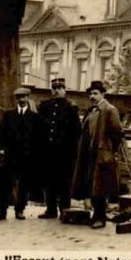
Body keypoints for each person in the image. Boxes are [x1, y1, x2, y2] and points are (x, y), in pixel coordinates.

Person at [71, 80, 123, 229]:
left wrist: (110, 150)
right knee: (91, 186)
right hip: (90, 154)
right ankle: (96, 215)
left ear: (103, 94)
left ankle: (100, 218)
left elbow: (117, 132)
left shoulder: (109, 110)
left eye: (95, 93)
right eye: (90, 94)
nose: (92, 96)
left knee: (100, 187)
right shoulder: (92, 111)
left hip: (102, 154)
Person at [0, 87, 41, 221]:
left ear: (28, 98)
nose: (21, 99)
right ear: (16, 99)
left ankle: (20, 210)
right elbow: (0, 134)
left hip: (26, 156)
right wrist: (1, 149)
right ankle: (1, 211)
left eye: (24, 97)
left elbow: (38, 138)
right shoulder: (9, 115)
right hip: (10, 155)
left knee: (24, 184)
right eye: (19, 97)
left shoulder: (34, 117)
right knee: (5, 184)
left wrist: (34, 154)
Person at [37, 78, 81, 219]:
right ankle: (50, 209)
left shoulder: (71, 107)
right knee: (49, 180)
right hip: (48, 151)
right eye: (54, 88)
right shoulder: (45, 106)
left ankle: (64, 209)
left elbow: (76, 131)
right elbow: (40, 128)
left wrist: (72, 151)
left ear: (64, 90)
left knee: (64, 181)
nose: (56, 90)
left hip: (64, 153)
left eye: (59, 88)